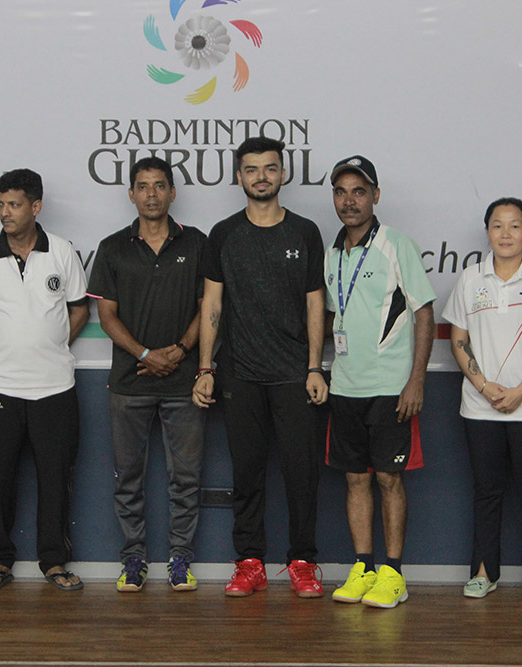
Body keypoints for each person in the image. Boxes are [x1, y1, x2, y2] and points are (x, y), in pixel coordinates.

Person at [192, 137, 328, 598]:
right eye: (251, 170)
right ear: (239, 177)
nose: (261, 177)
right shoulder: (223, 233)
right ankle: (249, 563)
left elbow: (315, 303)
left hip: (294, 375)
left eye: (270, 168)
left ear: (283, 174)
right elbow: (212, 303)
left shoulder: (305, 232)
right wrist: (205, 368)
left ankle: (303, 562)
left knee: (301, 476)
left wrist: (314, 366)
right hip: (240, 374)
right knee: (247, 476)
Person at [0, 169, 88, 593]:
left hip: (55, 387)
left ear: (35, 207)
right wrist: (7, 349)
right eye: (0, 204)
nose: (5, 212)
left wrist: (52, 345)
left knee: (56, 480)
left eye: (14, 205)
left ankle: (54, 562)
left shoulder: (62, 252)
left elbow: (79, 309)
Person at [87, 157, 206, 593]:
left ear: (172, 192)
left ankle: (180, 559)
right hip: (130, 382)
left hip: (184, 382)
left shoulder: (197, 243)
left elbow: (208, 307)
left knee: (185, 479)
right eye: (143, 186)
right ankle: (133, 559)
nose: (151, 194)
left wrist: (180, 350)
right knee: (128, 478)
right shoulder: (113, 247)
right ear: (131, 194)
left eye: (159, 186)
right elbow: (106, 315)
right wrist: (145, 354)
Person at [324, 155, 435, 609]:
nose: (349, 201)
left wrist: (416, 381)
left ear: (375, 196)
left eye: (359, 192)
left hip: (391, 387)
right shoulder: (332, 254)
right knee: (355, 479)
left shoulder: (396, 244)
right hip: (345, 386)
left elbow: (424, 313)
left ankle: (393, 574)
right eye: (341, 192)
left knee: (389, 478)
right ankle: (363, 568)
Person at [442, 197, 522, 600]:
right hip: (480, 407)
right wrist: (484, 386)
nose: (506, 233)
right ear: (488, 232)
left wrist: (519, 391)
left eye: (515, 225)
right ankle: (483, 572)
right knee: (486, 491)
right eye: (497, 225)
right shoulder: (470, 278)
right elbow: (458, 339)